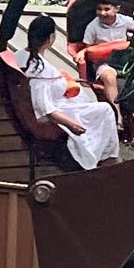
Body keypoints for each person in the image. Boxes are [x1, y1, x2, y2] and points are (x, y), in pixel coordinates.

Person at [20, 14, 121, 171]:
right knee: (105, 109)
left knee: (96, 106)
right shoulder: (39, 70)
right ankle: (107, 158)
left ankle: (106, 156)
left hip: (63, 103)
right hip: (59, 112)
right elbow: (44, 107)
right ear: (51, 38)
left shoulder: (22, 58)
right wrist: (70, 123)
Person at [80, 0, 134, 105]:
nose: (102, 13)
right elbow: (89, 50)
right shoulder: (92, 26)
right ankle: (116, 111)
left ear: (116, 9)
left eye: (107, 9)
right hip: (104, 63)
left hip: (124, 62)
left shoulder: (124, 20)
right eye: (99, 9)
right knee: (109, 77)